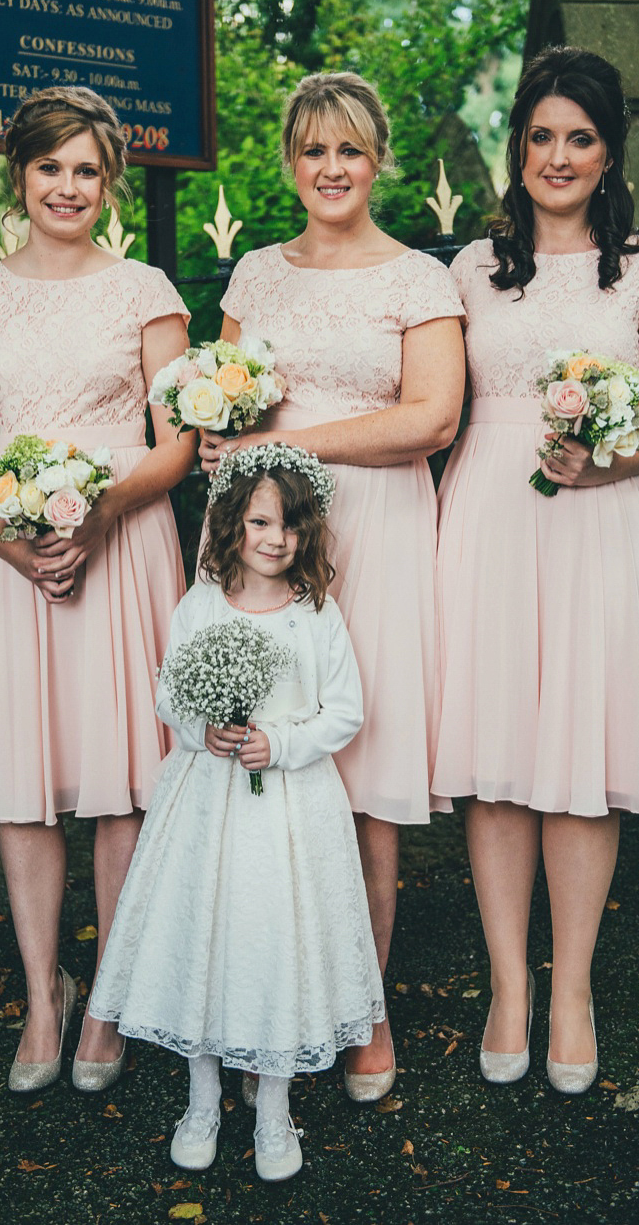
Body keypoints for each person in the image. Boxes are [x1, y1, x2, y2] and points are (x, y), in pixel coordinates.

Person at [431, 46, 639, 1093]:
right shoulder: (468, 268)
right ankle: (509, 982)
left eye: (578, 137)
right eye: (541, 135)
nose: (558, 155)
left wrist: (609, 458)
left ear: (608, 150)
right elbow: (437, 402)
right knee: (498, 758)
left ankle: (574, 987)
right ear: (517, 145)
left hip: (598, 520)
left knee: (583, 762)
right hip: (491, 518)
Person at [198, 72, 466, 1100]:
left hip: (379, 537)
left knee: (362, 784)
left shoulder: (417, 278)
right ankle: (262, 996)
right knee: (260, 768)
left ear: (377, 159)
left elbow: (430, 418)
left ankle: (364, 1011)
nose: (331, 168)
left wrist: (283, 439)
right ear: (289, 162)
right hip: (262, 538)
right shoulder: (255, 276)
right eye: (312, 150)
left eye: (348, 149)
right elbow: (217, 408)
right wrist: (228, 440)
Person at [0, 86, 196, 1093]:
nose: (68, 187)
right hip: (9, 566)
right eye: (50, 167)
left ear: (110, 179)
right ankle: (47, 993)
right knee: (26, 782)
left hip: (120, 551)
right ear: (20, 176)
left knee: (121, 774)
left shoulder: (147, 293)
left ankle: (115, 995)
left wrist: (97, 512)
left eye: (86, 169)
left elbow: (178, 447)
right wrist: (12, 540)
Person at [88, 444, 384, 1181]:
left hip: (289, 813)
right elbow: (168, 696)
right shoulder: (200, 606)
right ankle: (203, 1095)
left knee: (276, 944)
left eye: (288, 526)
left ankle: (274, 1108)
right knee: (208, 938)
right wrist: (203, 730)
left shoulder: (316, 615)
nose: (274, 539)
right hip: (206, 808)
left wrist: (279, 745)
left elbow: (345, 713)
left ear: (306, 532)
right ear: (233, 525)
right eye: (259, 522)